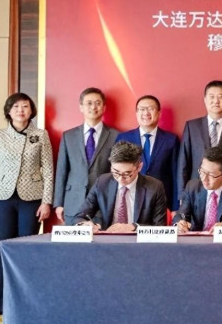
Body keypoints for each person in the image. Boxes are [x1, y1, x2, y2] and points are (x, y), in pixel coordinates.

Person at [0, 93, 54, 315]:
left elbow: (48, 170)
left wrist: (47, 201)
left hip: (31, 199)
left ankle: (26, 304)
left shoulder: (40, 135)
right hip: (2, 198)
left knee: (27, 250)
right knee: (5, 249)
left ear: (32, 110)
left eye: (25, 106)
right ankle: (4, 305)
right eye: (16, 107)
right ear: (9, 111)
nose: (21, 110)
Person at [53, 87, 119, 225]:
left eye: (98, 103)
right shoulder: (68, 136)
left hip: (103, 204)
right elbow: (61, 171)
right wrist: (59, 203)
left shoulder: (116, 135)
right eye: (89, 103)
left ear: (104, 107)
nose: (93, 107)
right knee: (73, 239)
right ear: (81, 107)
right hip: (73, 203)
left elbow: (117, 172)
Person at [74, 141, 168, 232]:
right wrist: (84, 224)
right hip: (107, 237)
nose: (120, 178)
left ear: (139, 167)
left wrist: (134, 227)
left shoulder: (155, 187)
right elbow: (80, 216)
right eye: (116, 172)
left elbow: (159, 227)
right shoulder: (102, 182)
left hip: (137, 240)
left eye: (127, 174)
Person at [178, 80, 222, 197]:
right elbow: (183, 162)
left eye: (220, 96)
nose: (216, 101)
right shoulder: (192, 127)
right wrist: (182, 194)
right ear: (205, 99)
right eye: (212, 96)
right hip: (197, 189)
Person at [116, 95, 180, 210]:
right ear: (136, 113)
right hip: (130, 199)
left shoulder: (171, 140)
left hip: (161, 200)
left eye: (151, 108)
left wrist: (175, 208)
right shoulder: (123, 138)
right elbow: (116, 172)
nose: (146, 113)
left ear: (159, 113)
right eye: (142, 109)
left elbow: (176, 175)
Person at [173, 147, 222, 232]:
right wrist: (180, 224)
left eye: (211, 175)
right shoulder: (192, 187)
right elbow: (181, 215)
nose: (204, 178)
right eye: (202, 172)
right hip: (196, 238)